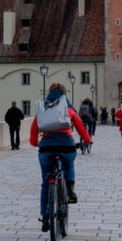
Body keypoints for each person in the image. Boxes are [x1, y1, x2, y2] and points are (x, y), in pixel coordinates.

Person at [29, 82, 91, 231]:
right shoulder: (67, 108)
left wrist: (35, 143)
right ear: (64, 95)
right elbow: (80, 125)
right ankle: (69, 190)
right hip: (66, 145)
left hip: (46, 148)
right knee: (68, 164)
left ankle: (45, 216)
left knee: (45, 182)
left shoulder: (43, 110)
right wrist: (87, 140)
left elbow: (33, 131)